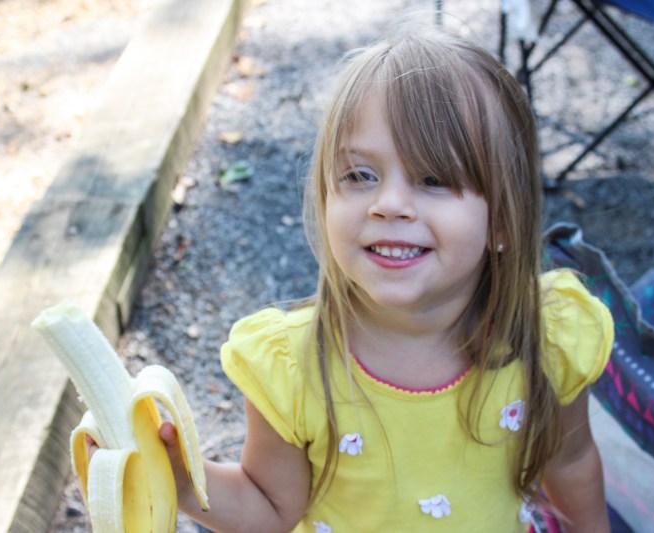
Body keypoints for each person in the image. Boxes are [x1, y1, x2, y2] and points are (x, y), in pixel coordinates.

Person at [159, 25, 613, 532]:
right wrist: (179, 480)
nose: (390, 204)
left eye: (434, 178)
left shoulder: (547, 336)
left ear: (503, 221)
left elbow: (569, 461)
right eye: (359, 175)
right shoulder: (292, 367)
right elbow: (268, 507)